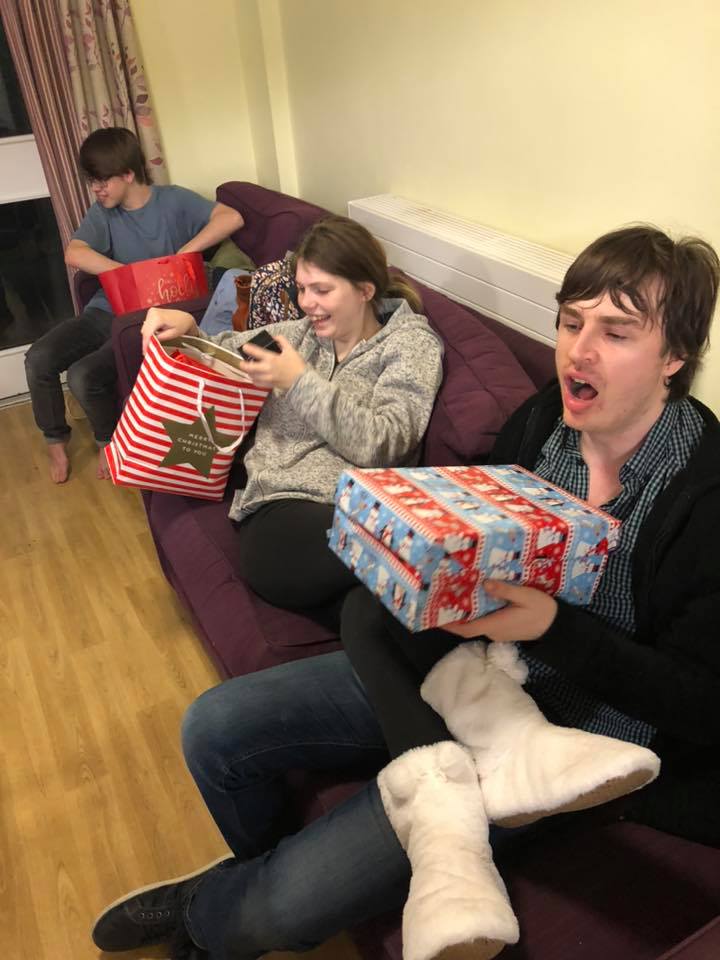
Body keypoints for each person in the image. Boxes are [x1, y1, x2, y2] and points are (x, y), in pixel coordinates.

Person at [91, 225, 720, 960]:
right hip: (464, 669)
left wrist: (549, 627)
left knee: (278, 906)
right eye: (571, 321)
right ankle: (260, 868)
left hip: (569, 741)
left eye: (616, 332)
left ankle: (214, 913)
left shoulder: (701, 494)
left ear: (675, 356)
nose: (579, 349)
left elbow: (700, 706)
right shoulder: (546, 420)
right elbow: (474, 536)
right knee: (213, 730)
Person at [138, 215, 444, 627]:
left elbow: (385, 443)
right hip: (281, 512)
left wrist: (299, 382)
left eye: (322, 290)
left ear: (365, 290)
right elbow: (224, 352)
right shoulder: (298, 335)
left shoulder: (411, 345)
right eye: (301, 289)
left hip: (362, 509)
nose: (307, 303)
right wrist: (190, 331)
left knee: (365, 614)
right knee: (394, 569)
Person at [25, 126, 243, 484]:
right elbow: (73, 252)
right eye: (91, 181)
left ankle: (109, 443)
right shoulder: (103, 214)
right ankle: (55, 441)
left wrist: (185, 253)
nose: (96, 189)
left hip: (142, 320)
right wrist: (130, 274)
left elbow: (231, 217)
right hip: (104, 309)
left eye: (102, 181)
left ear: (128, 173)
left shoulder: (174, 200)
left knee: (83, 376)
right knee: (38, 359)